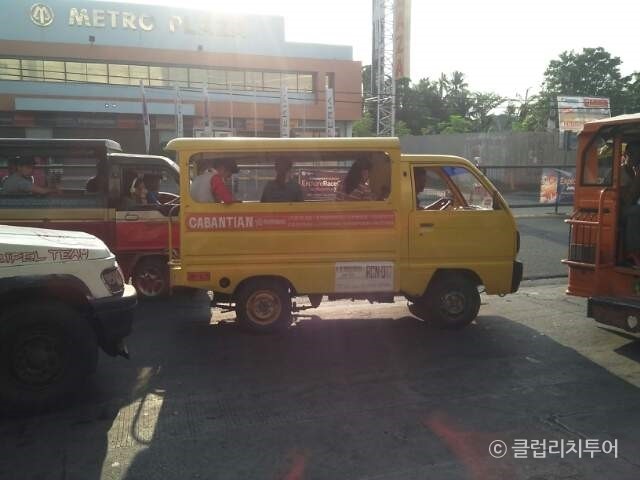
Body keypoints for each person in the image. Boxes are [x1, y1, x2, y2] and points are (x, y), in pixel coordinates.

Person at [620, 142, 640, 266]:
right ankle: (632, 251)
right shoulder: (621, 173)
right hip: (617, 211)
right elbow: (628, 201)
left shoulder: (634, 172)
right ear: (626, 155)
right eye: (634, 155)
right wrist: (638, 180)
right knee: (636, 211)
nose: (636, 159)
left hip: (631, 206)